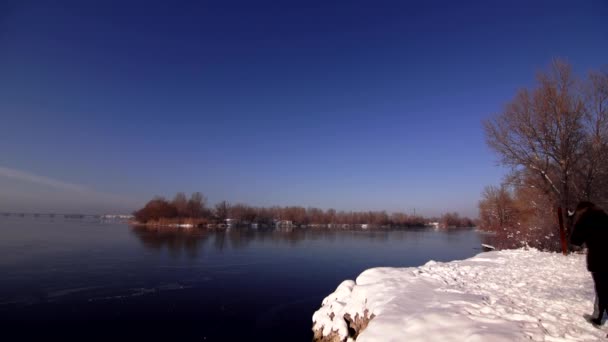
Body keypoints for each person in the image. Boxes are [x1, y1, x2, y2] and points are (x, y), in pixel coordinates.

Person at [570, 201, 608, 327]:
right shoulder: (604, 216)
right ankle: (599, 315)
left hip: (599, 259)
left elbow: (575, 240)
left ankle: (598, 316)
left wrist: (573, 224)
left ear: (582, 210)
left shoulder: (585, 218)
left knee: (602, 288)